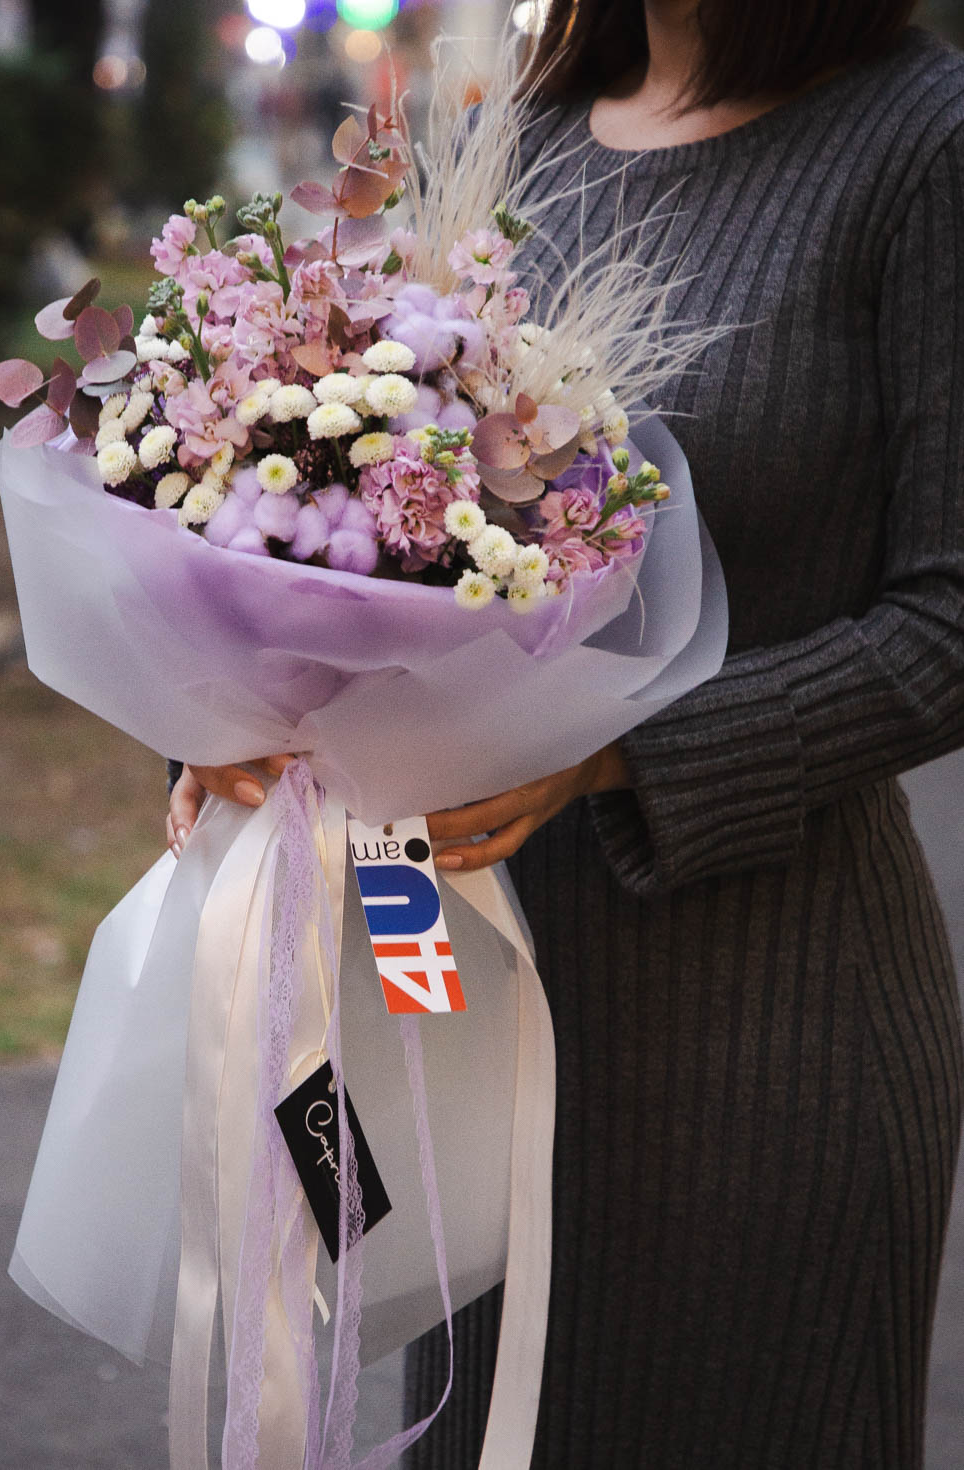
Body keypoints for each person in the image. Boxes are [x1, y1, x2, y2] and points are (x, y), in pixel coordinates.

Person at [167, 1, 964, 1462]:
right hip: (453, 1016)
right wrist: (234, 712)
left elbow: (946, 621)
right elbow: (354, 521)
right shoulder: (517, 138)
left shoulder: (923, 141)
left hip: (768, 1051)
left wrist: (616, 754)